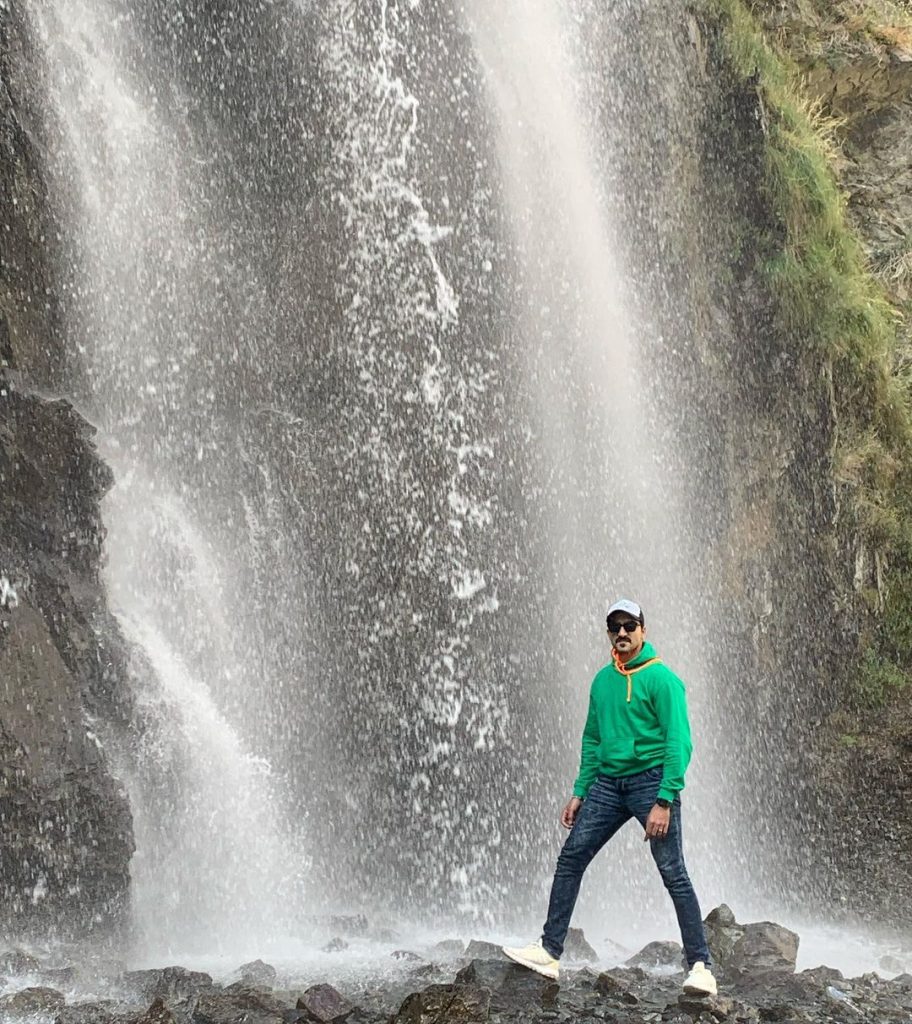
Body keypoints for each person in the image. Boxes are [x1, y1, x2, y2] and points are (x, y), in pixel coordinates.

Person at [503, 598, 717, 996]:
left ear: (643, 630)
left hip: (651, 783)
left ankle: (701, 965)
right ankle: (549, 952)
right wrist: (580, 791)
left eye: (629, 625)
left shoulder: (662, 679)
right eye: (614, 626)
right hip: (607, 785)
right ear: (608, 633)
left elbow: (679, 742)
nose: (622, 633)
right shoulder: (602, 681)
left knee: (673, 871)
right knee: (571, 858)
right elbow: (592, 738)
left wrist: (665, 799)